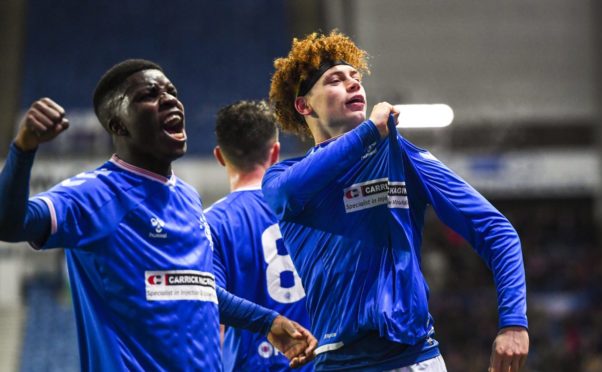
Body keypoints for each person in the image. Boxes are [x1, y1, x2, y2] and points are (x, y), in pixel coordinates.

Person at [0, 59, 316, 371]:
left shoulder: (188, 197)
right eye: (148, 95)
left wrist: (266, 322)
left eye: (171, 91)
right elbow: (11, 223)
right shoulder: (94, 194)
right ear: (118, 125)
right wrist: (24, 148)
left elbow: (200, 288)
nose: (169, 99)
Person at [263, 31, 529, 372]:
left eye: (356, 78)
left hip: (413, 359)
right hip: (336, 363)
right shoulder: (284, 175)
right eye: (335, 79)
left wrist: (513, 322)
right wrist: (369, 131)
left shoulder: (398, 155)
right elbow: (286, 195)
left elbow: (495, 229)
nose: (353, 84)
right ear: (303, 105)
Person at [205, 100, 314, 371]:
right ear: (275, 153)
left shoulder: (211, 223)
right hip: (317, 361)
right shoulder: (309, 211)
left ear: (220, 156)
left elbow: (207, 297)